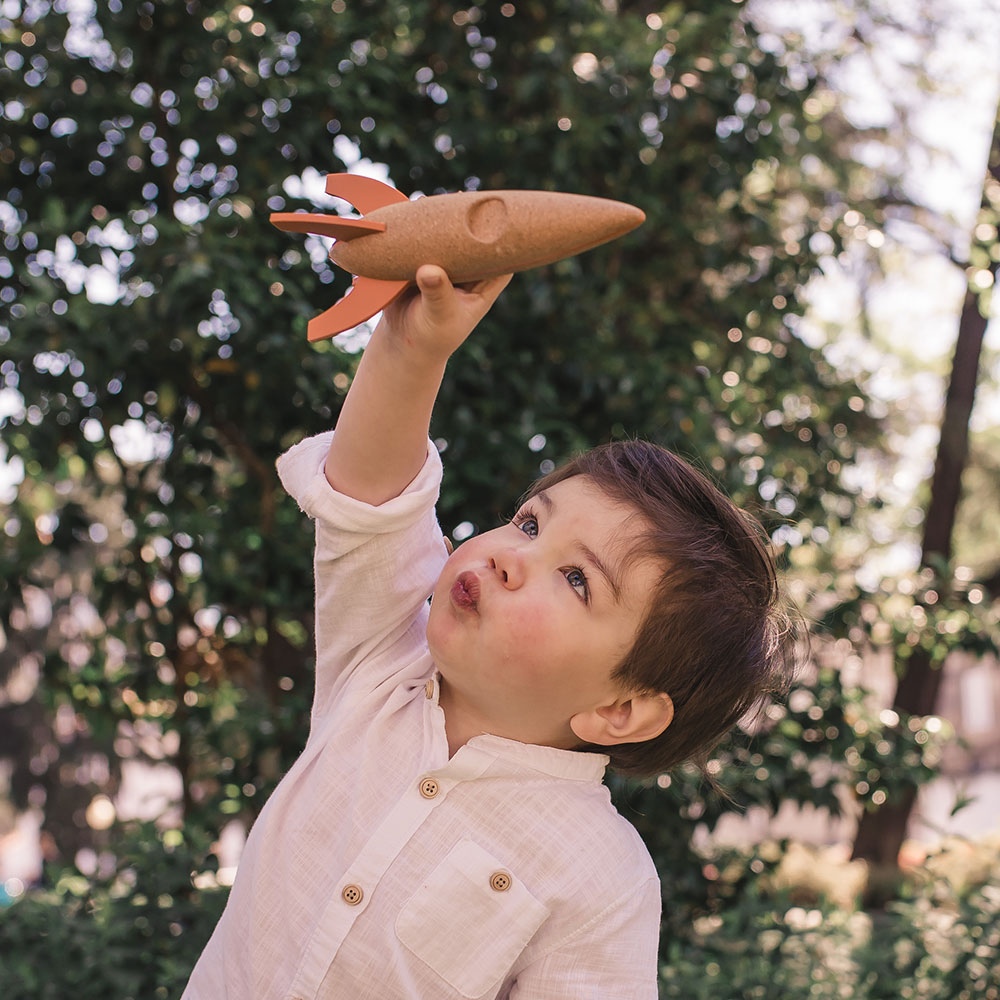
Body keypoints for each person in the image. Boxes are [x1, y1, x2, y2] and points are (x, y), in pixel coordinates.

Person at [181, 265, 796, 1000]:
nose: (511, 556)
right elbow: (371, 500)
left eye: (577, 579)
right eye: (530, 523)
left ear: (620, 709)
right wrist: (411, 348)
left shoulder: (601, 877)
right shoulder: (384, 660)